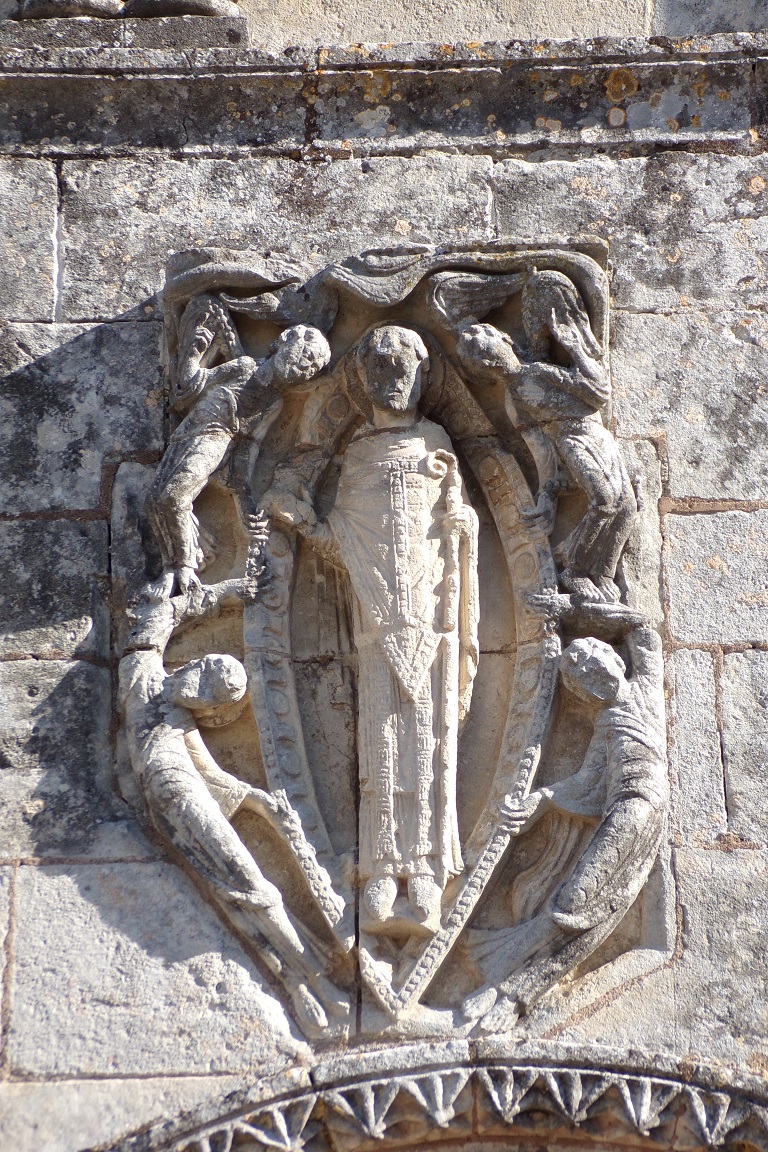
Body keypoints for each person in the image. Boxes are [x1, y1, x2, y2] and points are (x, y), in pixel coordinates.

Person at [269, 325, 479, 933]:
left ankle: (431, 873)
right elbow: (346, 538)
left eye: (403, 366)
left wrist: (460, 522)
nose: (393, 378)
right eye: (381, 368)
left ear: (420, 374)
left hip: (432, 617)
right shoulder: (357, 455)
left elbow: (458, 530)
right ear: (364, 380)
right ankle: (383, 871)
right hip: (375, 619)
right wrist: (308, 526)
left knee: (430, 740)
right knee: (380, 740)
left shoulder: (437, 447)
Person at [119, 579, 348, 1035]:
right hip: (174, 803)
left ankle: (307, 982)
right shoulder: (143, 673)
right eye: (205, 669)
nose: (197, 680)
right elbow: (157, 611)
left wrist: (264, 804)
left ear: (212, 712)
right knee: (252, 890)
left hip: (183, 797)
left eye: (211, 691)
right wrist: (232, 588)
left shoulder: (182, 725)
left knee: (254, 889)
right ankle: (312, 983)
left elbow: (217, 781)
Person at [463, 595, 667, 1031]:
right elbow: (584, 782)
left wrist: (571, 607)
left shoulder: (647, 686)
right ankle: (507, 984)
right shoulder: (606, 726)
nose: (598, 668)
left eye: (598, 658)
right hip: (627, 811)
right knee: (576, 902)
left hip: (638, 811)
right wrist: (540, 801)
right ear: (582, 693)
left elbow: (643, 627)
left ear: (615, 658)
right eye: (584, 672)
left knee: (577, 903)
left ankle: (513, 993)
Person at [456, 270, 637, 603]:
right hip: (573, 440)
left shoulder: (537, 371)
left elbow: (597, 390)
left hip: (596, 434)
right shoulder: (515, 401)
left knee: (627, 508)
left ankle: (602, 572)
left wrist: (575, 349)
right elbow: (540, 448)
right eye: (482, 361)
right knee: (605, 501)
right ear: (483, 372)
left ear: (507, 341)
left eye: (489, 347)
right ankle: (576, 570)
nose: (489, 360)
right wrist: (548, 493)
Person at [146, 294, 331, 600]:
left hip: (216, 439)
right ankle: (171, 568)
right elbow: (191, 384)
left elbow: (249, 447)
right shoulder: (244, 366)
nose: (304, 367)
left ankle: (186, 568)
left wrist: (244, 500)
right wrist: (194, 352)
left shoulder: (273, 402)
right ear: (283, 343)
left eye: (311, 367)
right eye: (304, 355)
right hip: (188, 432)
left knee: (175, 496)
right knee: (156, 500)